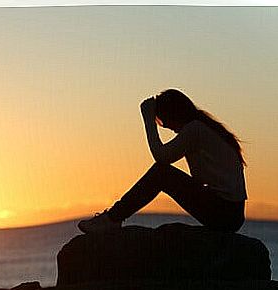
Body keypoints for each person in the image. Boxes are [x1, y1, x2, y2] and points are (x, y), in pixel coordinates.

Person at [78, 88, 247, 234]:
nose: (168, 127)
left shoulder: (195, 129)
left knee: (161, 173)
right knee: (163, 172)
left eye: (164, 121)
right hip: (230, 213)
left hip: (225, 213)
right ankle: (114, 217)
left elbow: (162, 157)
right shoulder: (203, 128)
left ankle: (112, 218)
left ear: (174, 114)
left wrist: (148, 121)